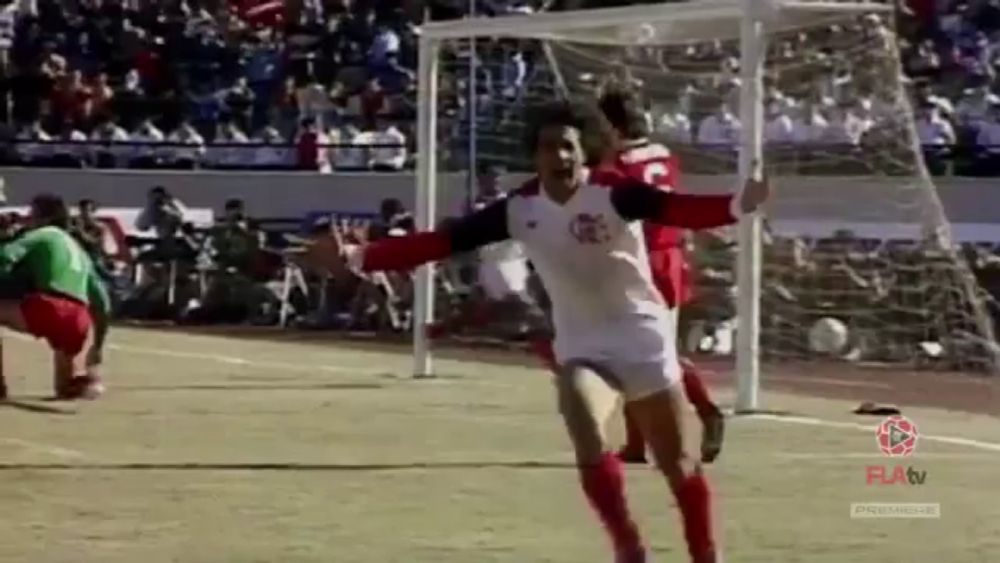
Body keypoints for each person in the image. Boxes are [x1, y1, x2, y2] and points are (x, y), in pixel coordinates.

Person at [309, 101, 769, 563]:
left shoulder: (614, 193)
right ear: (535, 155)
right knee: (580, 410)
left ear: (585, 151)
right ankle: (629, 550)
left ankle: (706, 555)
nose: (560, 156)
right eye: (549, 147)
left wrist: (735, 204)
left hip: (643, 339)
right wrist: (360, 258)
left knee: (680, 466)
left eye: (568, 147)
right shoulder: (519, 208)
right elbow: (442, 241)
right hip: (584, 347)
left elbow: (677, 209)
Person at [596, 85, 725, 464]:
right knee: (639, 352)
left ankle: (704, 411)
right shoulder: (664, 156)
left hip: (641, 261)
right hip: (669, 258)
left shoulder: (615, 168)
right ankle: (637, 444)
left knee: (645, 352)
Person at [0, 195, 110, 400]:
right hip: (79, 317)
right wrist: (98, 345)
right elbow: (102, 300)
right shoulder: (79, 250)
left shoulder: (43, 234)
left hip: (49, 306)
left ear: (45, 217)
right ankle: (85, 383)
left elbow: (6, 256)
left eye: (31, 214)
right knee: (63, 389)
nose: (27, 219)